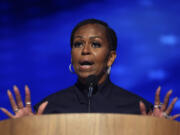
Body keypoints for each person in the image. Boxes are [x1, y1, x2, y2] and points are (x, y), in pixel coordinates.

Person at [0, 19, 179, 120]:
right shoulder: (46, 109)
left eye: (95, 44)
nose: (85, 50)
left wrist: (158, 129)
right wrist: (23, 130)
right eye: (78, 44)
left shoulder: (139, 110)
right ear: (71, 56)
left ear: (111, 57)